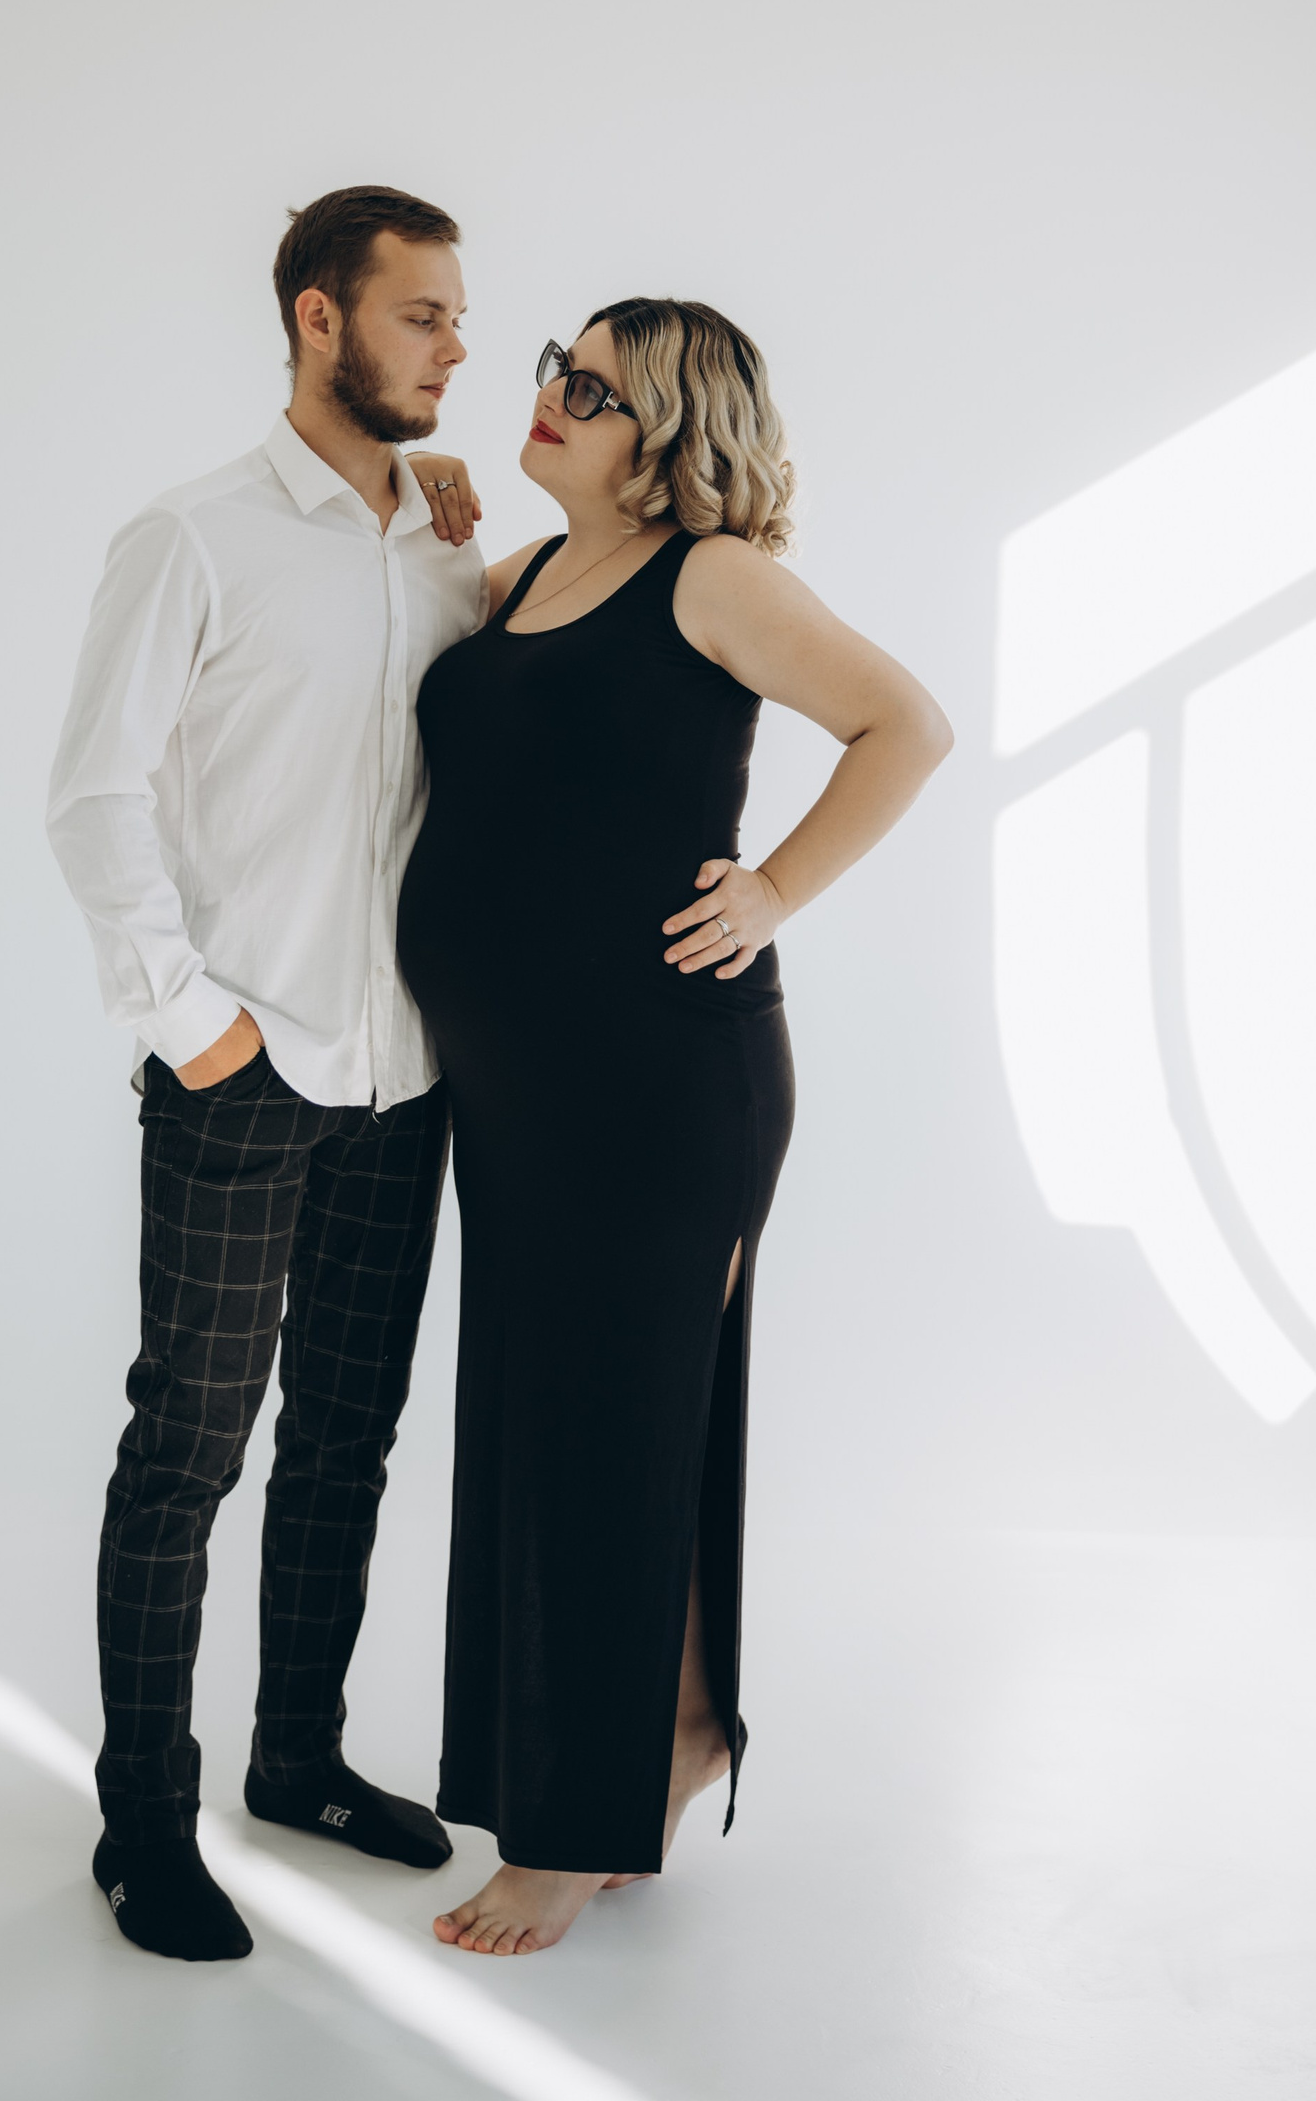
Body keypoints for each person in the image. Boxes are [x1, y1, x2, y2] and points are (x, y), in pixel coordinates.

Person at [399, 299, 953, 1957]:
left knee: (608, 1434)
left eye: (596, 389)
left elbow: (906, 724)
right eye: (555, 370)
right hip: (517, 1087)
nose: (552, 398)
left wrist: (774, 889)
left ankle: (573, 1833)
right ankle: (683, 1727)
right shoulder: (515, 581)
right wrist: (423, 512)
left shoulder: (711, 579)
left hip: (657, 1087)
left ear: (670, 437)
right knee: (573, 1424)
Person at [46, 185, 486, 1963]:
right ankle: (143, 1826)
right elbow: (93, 798)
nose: (456, 347)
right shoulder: (193, 538)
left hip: (406, 1078)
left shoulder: (447, 547)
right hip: (243, 1076)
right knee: (187, 1455)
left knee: (348, 1442)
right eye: (423, 314)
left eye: (458, 317)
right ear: (320, 317)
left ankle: (296, 1760)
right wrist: (195, 1026)